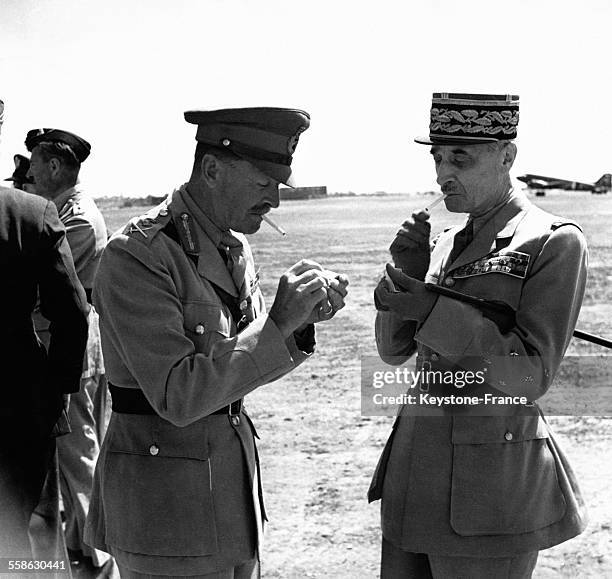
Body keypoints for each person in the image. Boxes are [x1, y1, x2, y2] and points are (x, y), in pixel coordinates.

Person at [84, 107, 349, 577]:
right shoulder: (137, 256)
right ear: (212, 169)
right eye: (264, 182)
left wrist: (298, 322)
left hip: (228, 496)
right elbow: (179, 395)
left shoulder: (232, 245)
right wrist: (276, 324)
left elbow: (242, 364)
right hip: (164, 512)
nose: (275, 202)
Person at [370, 93, 588, 578]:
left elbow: (530, 374)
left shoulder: (552, 240)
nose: (443, 171)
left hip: (488, 491)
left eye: (460, 157)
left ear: (507, 155)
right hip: (416, 477)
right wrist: (406, 271)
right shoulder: (445, 241)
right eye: (438, 156)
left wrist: (434, 309)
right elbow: (392, 351)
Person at [26, 128, 112, 575]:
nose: (31, 171)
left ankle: (100, 553)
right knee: (74, 452)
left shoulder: (75, 219)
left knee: (79, 454)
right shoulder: (61, 212)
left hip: (70, 355)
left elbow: (50, 295)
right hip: (71, 351)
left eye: (35, 163)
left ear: (55, 166)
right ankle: (83, 544)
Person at [0, 184, 89, 558]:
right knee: (31, 546)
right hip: (20, 407)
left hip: (23, 406)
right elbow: (72, 313)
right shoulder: (29, 213)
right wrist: (59, 387)